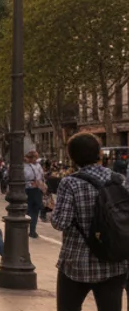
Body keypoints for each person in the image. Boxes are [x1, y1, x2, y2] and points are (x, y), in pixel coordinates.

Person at [51, 133, 129, 311]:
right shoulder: (119, 180)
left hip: (77, 263)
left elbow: (60, 223)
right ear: (99, 153)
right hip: (113, 261)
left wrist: (53, 209)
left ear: (72, 156)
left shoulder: (70, 183)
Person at [24, 150, 45, 238]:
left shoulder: (38, 165)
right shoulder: (25, 166)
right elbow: (25, 176)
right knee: (28, 210)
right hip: (28, 189)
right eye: (35, 157)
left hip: (37, 189)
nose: (36, 159)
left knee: (35, 210)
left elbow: (41, 176)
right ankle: (26, 229)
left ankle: (32, 230)